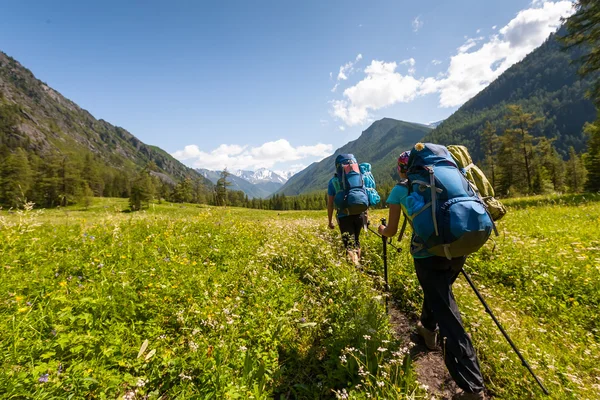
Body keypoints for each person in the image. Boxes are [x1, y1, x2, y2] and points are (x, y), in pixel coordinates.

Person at [378, 150, 486, 400]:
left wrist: (382, 229)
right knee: (439, 295)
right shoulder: (446, 181)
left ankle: (472, 387)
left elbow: (392, 231)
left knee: (447, 313)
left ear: (402, 169)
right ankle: (427, 330)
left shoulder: (399, 190)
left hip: (428, 256)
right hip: (457, 247)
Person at [327, 178, 366, 265]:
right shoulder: (357, 178)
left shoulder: (333, 181)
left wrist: (330, 221)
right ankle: (359, 264)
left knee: (349, 245)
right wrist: (365, 218)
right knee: (356, 241)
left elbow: (330, 204)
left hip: (344, 216)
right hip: (359, 214)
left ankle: (356, 267)